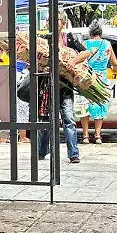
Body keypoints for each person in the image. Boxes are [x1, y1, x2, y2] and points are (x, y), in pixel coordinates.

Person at [38, 12, 82, 164]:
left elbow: (86, 52)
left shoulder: (69, 39)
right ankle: (42, 151)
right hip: (47, 86)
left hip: (65, 85)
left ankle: (73, 153)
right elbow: (35, 58)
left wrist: (74, 61)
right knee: (45, 120)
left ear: (63, 22)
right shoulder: (44, 40)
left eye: (55, 20)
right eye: (50, 20)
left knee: (69, 118)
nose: (52, 22)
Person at [79, 21, 117, 145]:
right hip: (101, 79)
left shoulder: (85, 44)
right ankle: (97, 135)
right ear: (100, 32)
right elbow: (115, 63)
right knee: (99, 105)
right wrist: (115, 69)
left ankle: (85, 136)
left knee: (85, 106)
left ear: (90, 32)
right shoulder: (107, 44)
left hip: (86, 79)